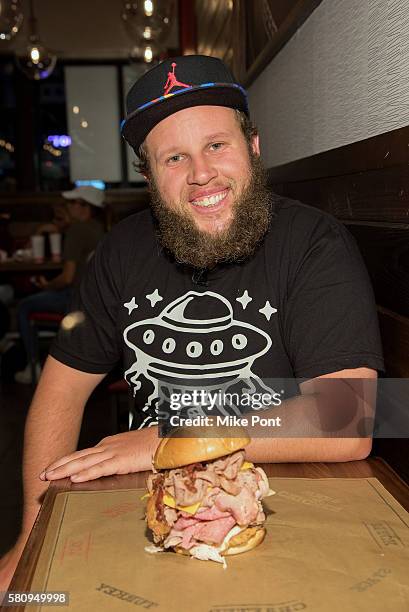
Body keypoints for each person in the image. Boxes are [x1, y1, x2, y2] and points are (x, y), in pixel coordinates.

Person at [0, 55, 383, 587]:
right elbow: (60, 392)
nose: (201, 173)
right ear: (149, 176)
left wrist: (168, 436)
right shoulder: (119, 252)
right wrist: (31, 538)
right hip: (148, 506)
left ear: (253, 146)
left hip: (289, 505)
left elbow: (348, 418)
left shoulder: (315, 244)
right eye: (173, 157)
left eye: (216, 145)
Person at [14, 186, 105, 384]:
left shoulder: (77, 230)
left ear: (84, 207)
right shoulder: (98, 227)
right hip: (95, 300)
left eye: (72, 203)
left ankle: (32, 367)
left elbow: (66, 278)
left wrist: (46, 286)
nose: (67, 207)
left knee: (24, 306)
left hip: (75, 299)